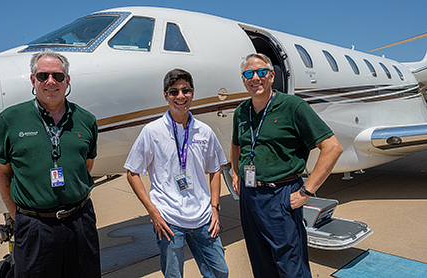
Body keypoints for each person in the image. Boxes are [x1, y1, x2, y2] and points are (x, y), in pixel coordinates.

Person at [231, 53, 343, 278]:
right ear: (243, 80)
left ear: (272, 76)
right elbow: (236, 145)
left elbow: (332, 147)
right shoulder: (241, 111)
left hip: (281, 195)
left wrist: (306, 191)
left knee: (290, 265)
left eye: (262, 72)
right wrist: (236, 173)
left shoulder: (293, 106)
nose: (256, 78)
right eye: (249, 74)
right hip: (250, 196)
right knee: (261, 261)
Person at [0, 49, 101, 277]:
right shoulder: (10, 119)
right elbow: (3, 172)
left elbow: (86, 165)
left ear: (67, 81)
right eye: (43, 76)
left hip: (80, 222)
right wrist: (18, 216)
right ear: (33, 80)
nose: (51, 81)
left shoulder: (86, 120)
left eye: (58, 76)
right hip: (34, 227)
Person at [124, 68, 229, 278]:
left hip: (203, 218)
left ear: (193, 93)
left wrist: (215, 208)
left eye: (185, 90)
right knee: (173, 275)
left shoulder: (204, 131)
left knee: (220, 272)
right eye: (174, 92)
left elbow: (215, 169)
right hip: (169, 219)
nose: (180, 96)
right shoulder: (152, 131)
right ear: (166, 96)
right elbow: (132, 172)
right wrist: (154, 212)